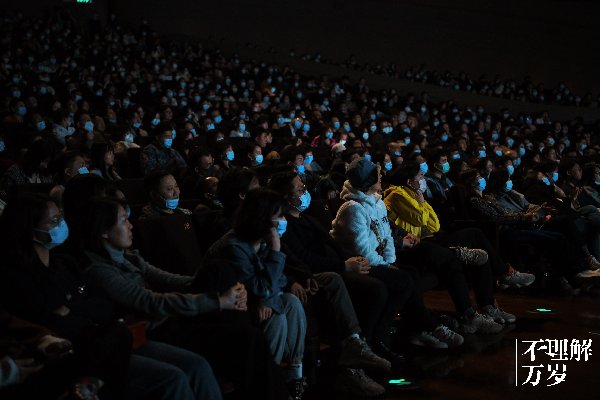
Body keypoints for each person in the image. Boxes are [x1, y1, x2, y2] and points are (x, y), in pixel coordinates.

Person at [82, 197, 290, 400]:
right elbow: (151, 301)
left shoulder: (130, 258)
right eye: (123, 221)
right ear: (103, 231)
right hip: (153, 331)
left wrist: (226, 290)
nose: (131, 226)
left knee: (229, 290)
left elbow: (172, 280)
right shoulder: (100, 271)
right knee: (239, 336)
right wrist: (217, 300)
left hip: (172, 322)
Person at [268, 171, 390, 396]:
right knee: (374, 289)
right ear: (285, 196)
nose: (305, 193)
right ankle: (353, 354)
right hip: (322, 272)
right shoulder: (283, 225)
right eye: (299, 190)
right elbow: (299, 258)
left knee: (390, 280)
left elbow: (330, 243)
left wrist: (350, 259)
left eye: (304, 188)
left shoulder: (306, 218)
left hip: (333, 266)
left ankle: (368, 347)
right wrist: (343, 266)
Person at [330, 158, 464, 350]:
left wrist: (391, 260)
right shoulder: (353, 209)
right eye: (377, 174)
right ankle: (391, 337)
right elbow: (363, 250)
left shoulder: (377, 202)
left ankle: (416, 330)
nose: (382, 176)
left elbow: (386, 236)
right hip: (361, 263)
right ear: (368, 181)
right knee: (402, 280)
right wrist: (387, 265)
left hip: (378, 260)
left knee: (412, 274)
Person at [383, 162, 526, 329]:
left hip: (426, 238)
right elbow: (420, 220)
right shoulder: (397, 195)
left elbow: (434, 225)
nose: (423, 179)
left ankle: (488, 305)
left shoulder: (413, 193)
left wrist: (420, 201)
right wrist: (421, 202)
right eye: (420, 177)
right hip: (414, 245)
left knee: (477, 242)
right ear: (409, 181)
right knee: (472, 246)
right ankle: (500, 273)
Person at [202, 188, 307, 400]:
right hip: (225, 308)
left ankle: (294, 375)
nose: (284, 221)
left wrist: (267, 296)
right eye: (279, 216)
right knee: (276, 318)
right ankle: (268, 382)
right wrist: (276, 252)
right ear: (263, 218)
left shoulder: (264, 239)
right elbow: (259, 286)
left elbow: (279, 280)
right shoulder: (234, 245)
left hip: (254, 299)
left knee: (292, 303)